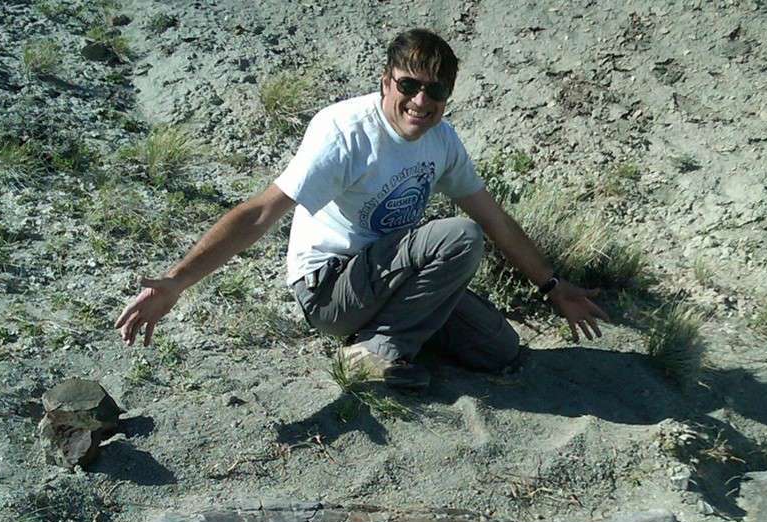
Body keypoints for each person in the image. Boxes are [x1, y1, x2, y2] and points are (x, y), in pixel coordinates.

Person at [116, 28, 608, 391]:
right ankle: (376, 352)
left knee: (499, 349)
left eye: (436, 91)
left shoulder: (442, 141)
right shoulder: (344, 132)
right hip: (329, 287)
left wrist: (552, 286)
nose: (421, 101)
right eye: (409, 85)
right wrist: (177, 281)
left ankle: (388, 336)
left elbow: (495, 216)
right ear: (386, 82)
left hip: (390, 279)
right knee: (459, 237)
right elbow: (261, 213)